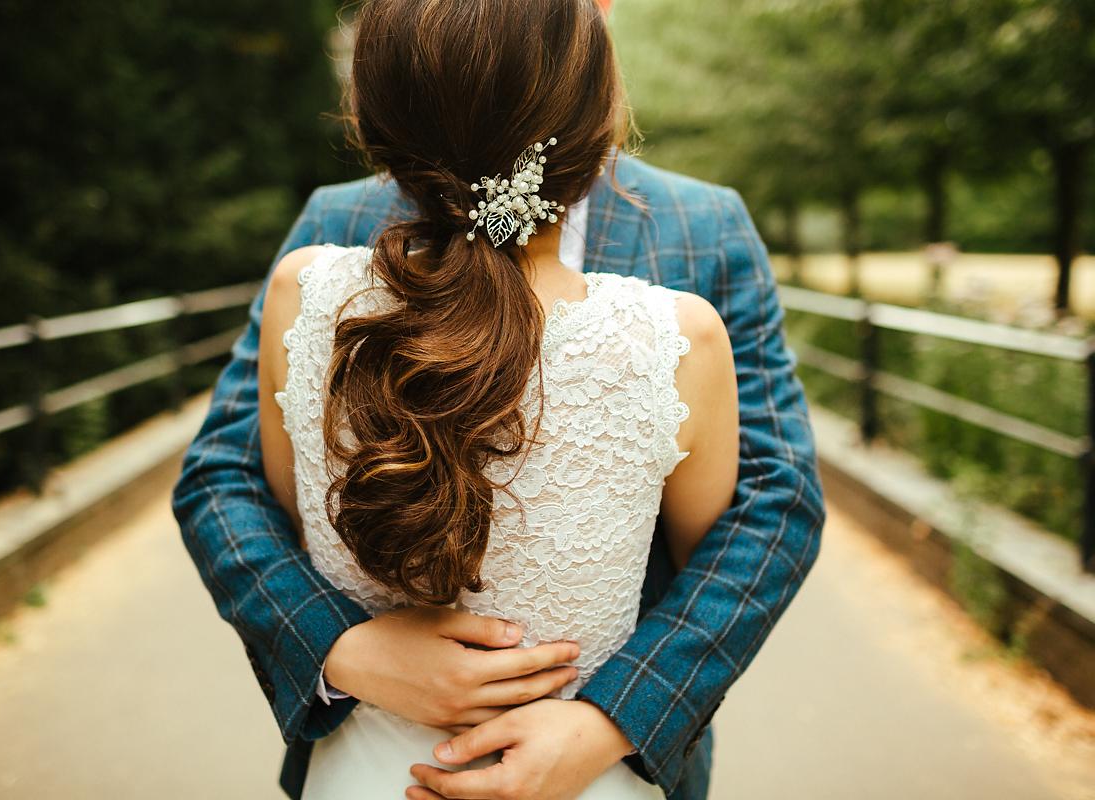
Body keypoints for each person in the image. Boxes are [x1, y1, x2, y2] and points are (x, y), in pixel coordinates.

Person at [171, 0, 825, 797]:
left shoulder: (707, 229)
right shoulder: (329, 235)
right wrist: (337, 648)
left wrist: (615, 718)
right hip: (365, 738)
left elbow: (777, 502)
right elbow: (221, 477)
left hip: (607, 756)